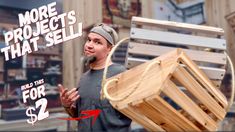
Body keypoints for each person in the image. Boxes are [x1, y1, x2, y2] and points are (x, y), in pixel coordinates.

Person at [58, 23, 132, 131]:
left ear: (109, 49)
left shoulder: (120, 74)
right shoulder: (84, 78)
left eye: (97, 42)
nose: (89, 45)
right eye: (89, 40)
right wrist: (67, 106)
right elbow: (79, 116)